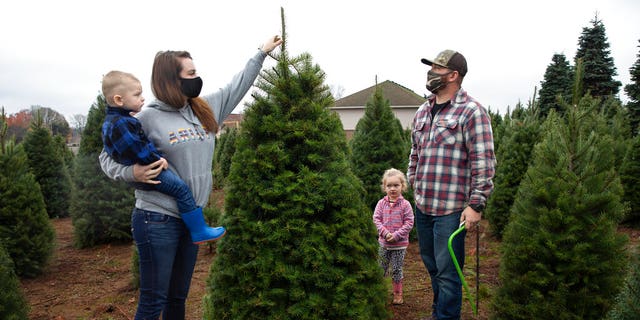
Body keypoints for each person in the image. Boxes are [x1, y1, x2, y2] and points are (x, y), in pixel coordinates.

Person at [99, 35, 282, 319]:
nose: (197, 78)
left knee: (177, 298)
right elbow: (105, 158)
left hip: (191, 218)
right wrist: (131, 172)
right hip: (157, 218)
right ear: (172, 80)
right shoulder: (146, 118)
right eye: (191, 73)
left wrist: (261, 53)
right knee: (153, 299)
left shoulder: (204, 108)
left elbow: (238, 85)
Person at [408, 49, 496, 320]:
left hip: (451, 210)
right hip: (424, 206)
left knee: (448, 273)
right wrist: (414, 181)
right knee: (433, 267)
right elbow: (415, 152)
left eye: (436, 68)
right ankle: (439, 313)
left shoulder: (471, 112)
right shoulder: (424, 110)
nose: (430, 73)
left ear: (453, 75)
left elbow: (483, 160)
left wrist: (476, 204)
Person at [100, 70, 225, 245]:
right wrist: (155, 159)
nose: (142, 98)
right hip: (152, 170)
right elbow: (136, 149)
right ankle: (198, 230)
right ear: (119, 100)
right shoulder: (123, 123)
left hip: (148, 168)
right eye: (137, 95)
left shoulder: (120, 120)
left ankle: (197, 228)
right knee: (181, 189)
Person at [372, 168, 414, 305]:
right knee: (381, 268)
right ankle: (379, 292)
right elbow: (376, 219)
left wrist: (396, 235)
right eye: (389, 185)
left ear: (402, 186)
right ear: (384, 187)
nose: (393, 188)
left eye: (396, 185)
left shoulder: (405, 205)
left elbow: (409, 223)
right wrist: (385, 233)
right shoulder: (381, 203)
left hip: (399, 245)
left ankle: (397, 293)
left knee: (396, 269)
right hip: (384, 244)